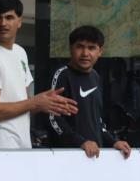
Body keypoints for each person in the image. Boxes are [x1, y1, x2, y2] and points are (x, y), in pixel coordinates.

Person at [0, 0, 78, 149]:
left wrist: (46, 103)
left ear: (19, 21)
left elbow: (24, 103)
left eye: (9, 17)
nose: (3, 23)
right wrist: (35, 102)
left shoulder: (20, 52)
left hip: (21, 144)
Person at [48, 25, 132, 159]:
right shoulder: (61, 75)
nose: (85, 53)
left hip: (94, 157)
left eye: (91, 48)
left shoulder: (95, 77)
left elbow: (97, 120)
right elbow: (53, 118)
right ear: (71, 48)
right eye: (80, 46)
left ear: (100, 51)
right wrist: (80, 142)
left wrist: (113, 141)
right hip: (67, 158)